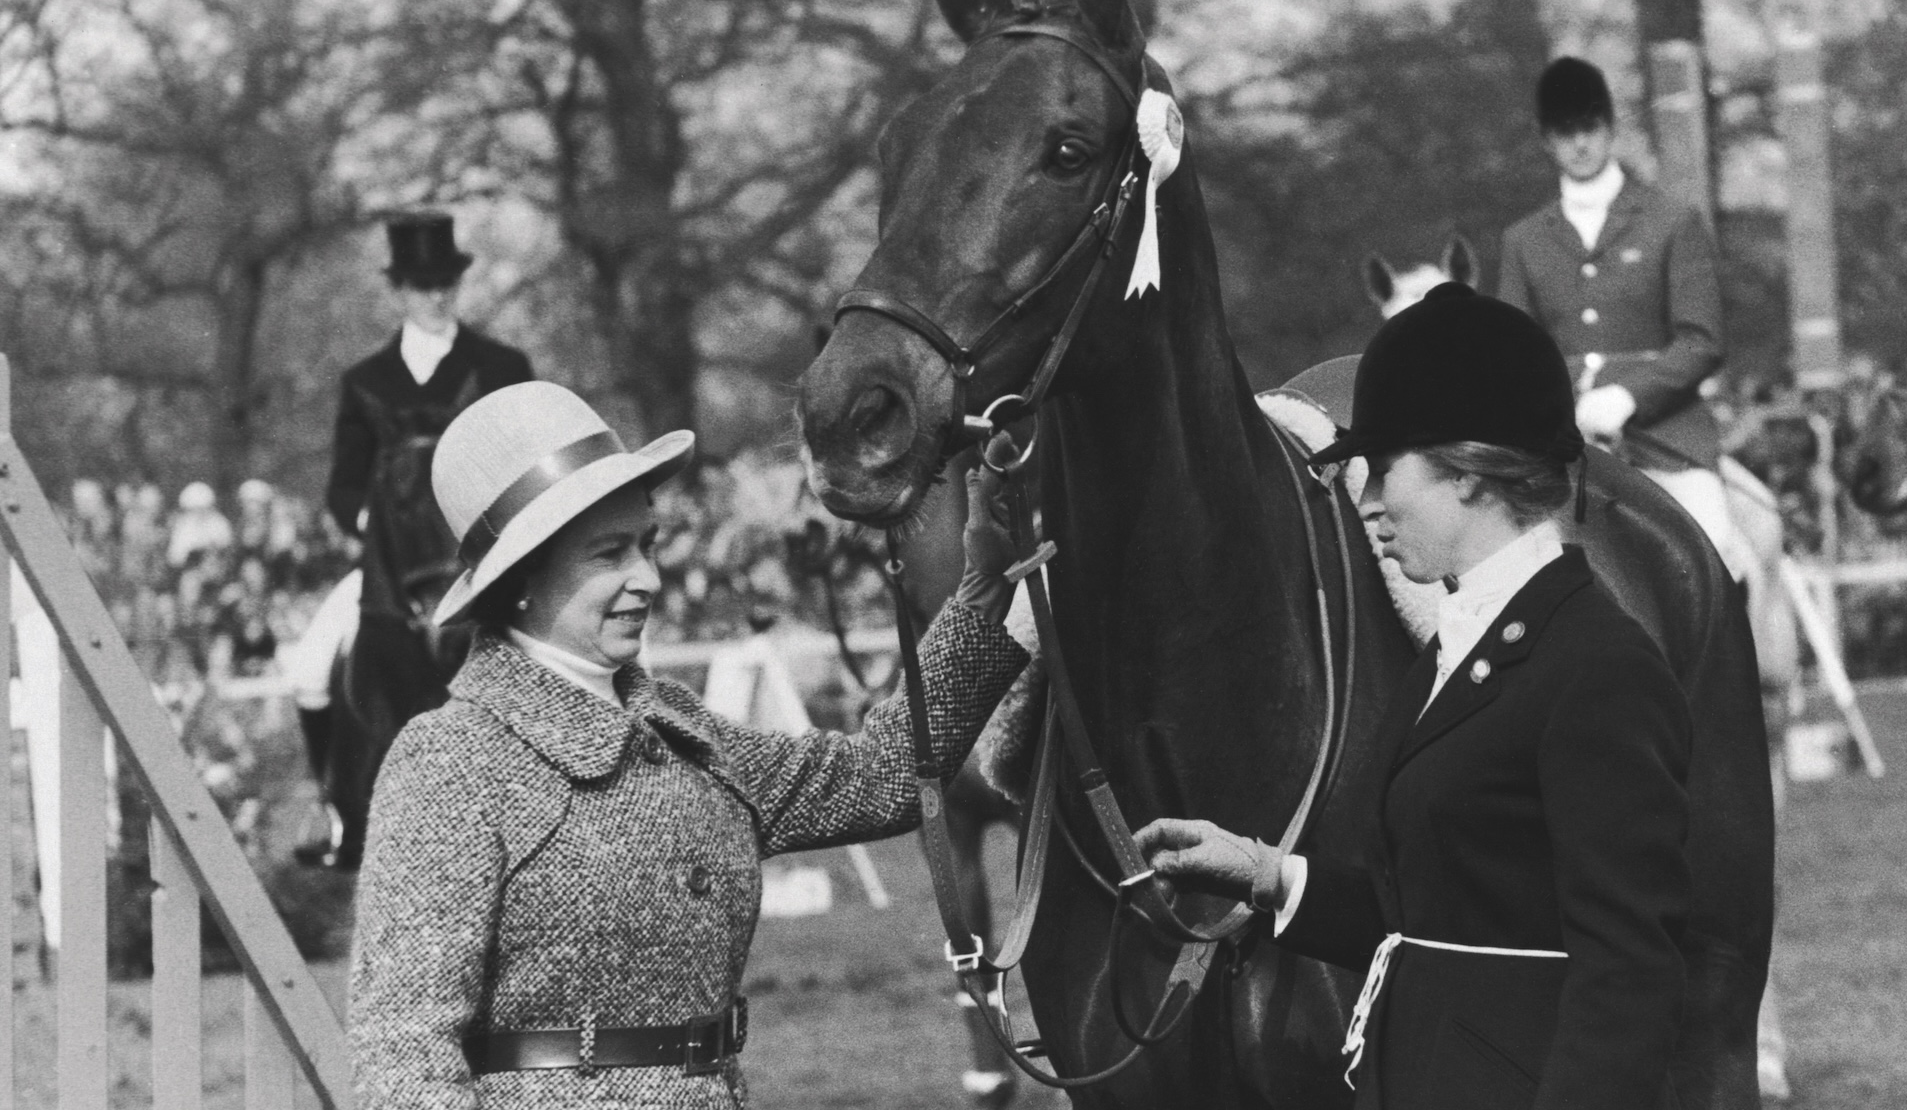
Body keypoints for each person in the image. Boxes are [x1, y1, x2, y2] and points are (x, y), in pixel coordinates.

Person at [349, 381, 1026, 1108]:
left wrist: (984, 590)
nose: (647, 577)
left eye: (645, 545)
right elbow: (404, 1056)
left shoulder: (678, 728)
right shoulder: (451, 760)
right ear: (521, 578)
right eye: (609, 554)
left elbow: (880, 777)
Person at [1136, 284, 1692, 1109]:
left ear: (1468, 472)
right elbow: (1433, 922)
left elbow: (1630, 973)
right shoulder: (1455, 651)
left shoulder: (1597, 668)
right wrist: (1263, 873)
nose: (1364, 503)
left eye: (1384, 469)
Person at [317, 211, 534, 867]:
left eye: (445, 281)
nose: (436, 295)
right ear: (399, 291)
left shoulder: (500, 365)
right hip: (391, 561)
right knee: (307, 670)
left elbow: (529, 460)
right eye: (421, 284)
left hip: (484, 559)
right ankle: (336, 822)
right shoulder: (365, 382)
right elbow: (343, 486)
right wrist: (382, 523)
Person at [1495, 55, 1750, 579]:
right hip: (1561, 442)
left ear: (1610, 129)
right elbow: (1514, 357)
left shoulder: (1671, 221)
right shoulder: (1523, 240)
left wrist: (1627, 396)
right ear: (1548, 141)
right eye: (1566, 133)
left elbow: (1702, 342)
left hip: (1665, 435)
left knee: (1717, 546)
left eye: (1589, 127)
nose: (1581, 144)